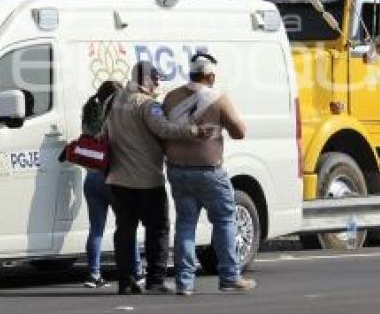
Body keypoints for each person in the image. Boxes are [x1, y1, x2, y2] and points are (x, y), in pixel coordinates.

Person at [106, 61, 207, 295]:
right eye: (155, 78)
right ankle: (155, 280)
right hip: (146, 180)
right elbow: (164, 130)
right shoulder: (147, 104)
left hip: (118, 179)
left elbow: (105, 132)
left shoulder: (114, 100)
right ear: (145, 79)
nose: (158, 83)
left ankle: (126, 281)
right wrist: (192, 131)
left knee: (125, 232)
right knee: (159, 228)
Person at [162, 53, 256, 296]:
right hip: (209, 172)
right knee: (224, 221)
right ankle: (229, 277)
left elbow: (163, 131)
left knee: (185, 224)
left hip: (178, 170)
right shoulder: (217, 98)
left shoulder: (171, 98)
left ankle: (184, 283)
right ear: (211, 75)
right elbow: (240, 131)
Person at [79, 81, 142, 288]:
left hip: (91, 178)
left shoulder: (88, 112)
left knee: (96, 229)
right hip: (114, 178)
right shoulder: (116, 114)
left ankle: (93, 275)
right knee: (126, 226)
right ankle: (137, 270)